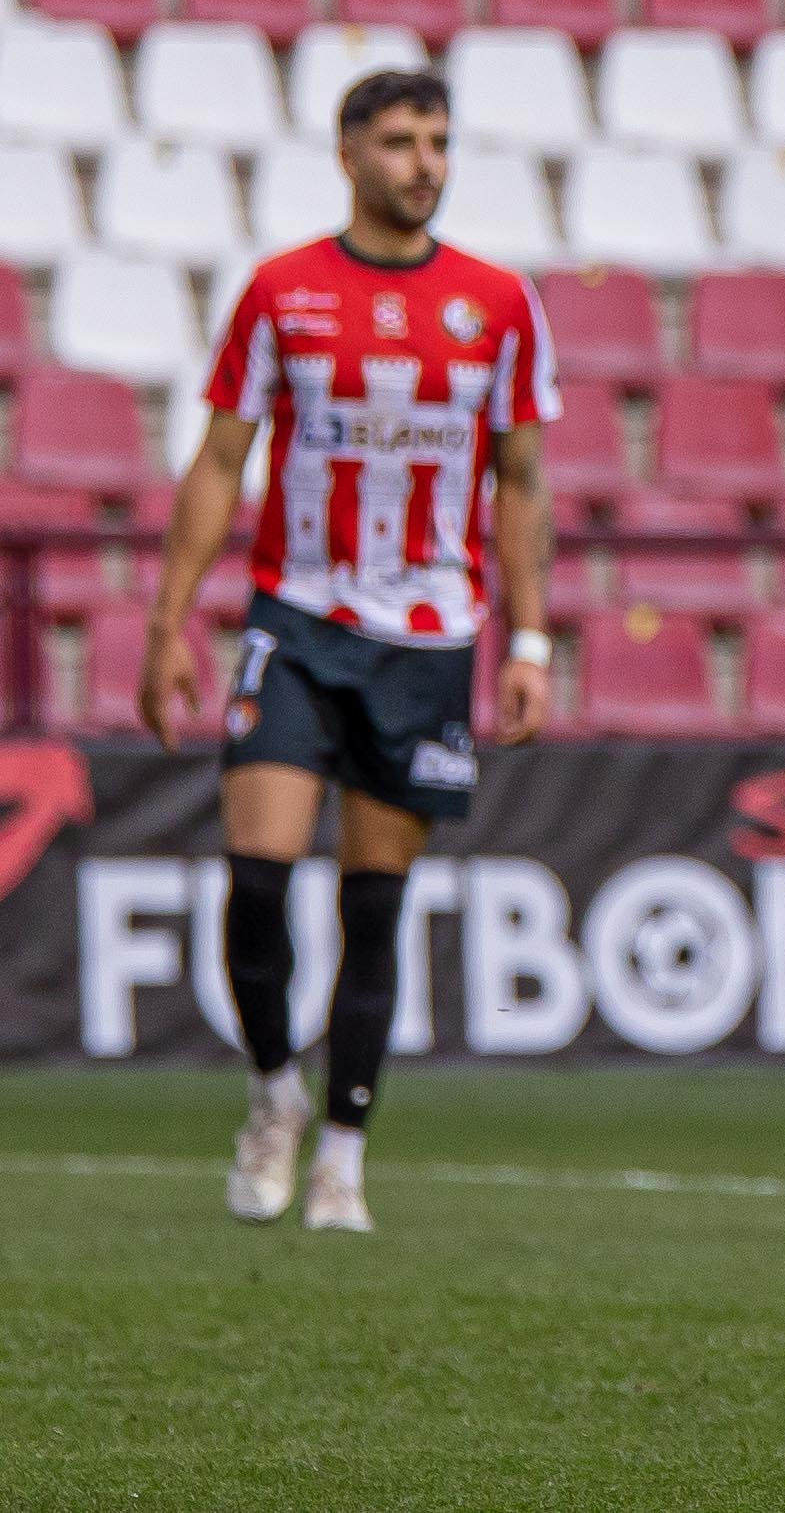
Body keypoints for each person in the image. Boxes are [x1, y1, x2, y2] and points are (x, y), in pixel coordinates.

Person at [138, 67, 560, 1236]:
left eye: (436, 138)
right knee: (258, 878)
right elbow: (221, 460)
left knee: (375, 907)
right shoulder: (282, 292)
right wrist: (170, 619)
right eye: (398, 140)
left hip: (429, 641)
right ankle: (274, 1091)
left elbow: (522, 483)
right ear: (346, 152)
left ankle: (342, 1151)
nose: (423, 160)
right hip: (298, 620)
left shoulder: (498, 302)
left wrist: (526, 636)